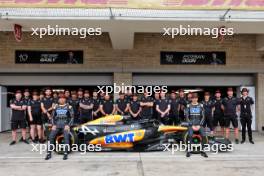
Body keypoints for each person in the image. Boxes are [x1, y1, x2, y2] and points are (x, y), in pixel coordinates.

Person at [45, 95, 74, 160]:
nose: (61, 100)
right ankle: (48, 153)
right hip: (57, 125)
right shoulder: (55, 107)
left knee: (66, 138)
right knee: (50, 137)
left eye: (63, 98)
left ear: (65, 99)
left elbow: (72, 117)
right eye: (60, 99)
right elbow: (52, 117)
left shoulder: (69, 107)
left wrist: (68, 125)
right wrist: (53, 125)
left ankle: (65, 153)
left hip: (65, 124)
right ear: (58, 100)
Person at [185, 93, 207, 158]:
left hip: (199, 125)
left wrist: (200, 125)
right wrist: (191, 125)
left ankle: (202, 150)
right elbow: (186, 117)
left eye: (196, 98)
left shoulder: (201, 106)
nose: (194, 99)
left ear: (197, 98)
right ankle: (189, 150)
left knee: (203, 135)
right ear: (191, 99)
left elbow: (203, 116)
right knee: (190, 135)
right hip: (191, 125)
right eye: (193, 98)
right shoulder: (188, 106)